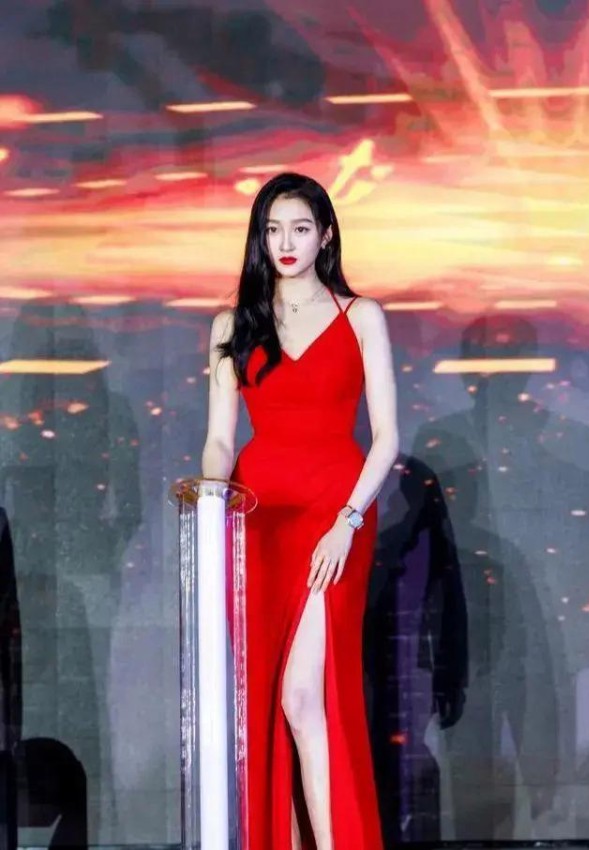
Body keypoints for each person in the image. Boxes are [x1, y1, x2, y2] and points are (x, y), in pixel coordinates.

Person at [201, 172, 399, 850]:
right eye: (273, 229)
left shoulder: (360, 315)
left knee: (304, 697)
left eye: (301, 228)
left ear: (326, 235)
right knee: (263, 704)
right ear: (260, 238)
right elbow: (220, 438)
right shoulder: (233, 324)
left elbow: (387, 437)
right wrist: (211, 506)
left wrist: (348, 519)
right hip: (258, 517)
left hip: (335, 513)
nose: (286, 242)